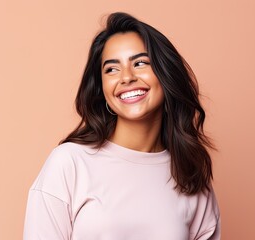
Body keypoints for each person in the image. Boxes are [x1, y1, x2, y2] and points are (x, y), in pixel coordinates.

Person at [23, 12, 221, 240]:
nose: (126, 77)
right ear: (102, 88)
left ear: (166, 74)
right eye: (112, 69)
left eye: (140, 63)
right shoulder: (70, 163)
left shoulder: (190, 177)